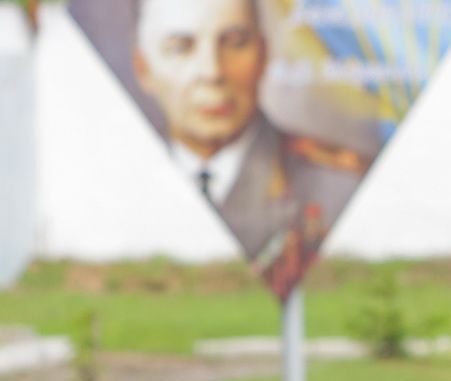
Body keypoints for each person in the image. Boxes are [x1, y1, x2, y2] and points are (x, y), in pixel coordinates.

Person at [129, 0, 363, 289]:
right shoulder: (120, 183)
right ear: (143, 68)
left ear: (263, 55)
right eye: (181, 48)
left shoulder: (333, 182)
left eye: (235, 43)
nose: (212, 71)